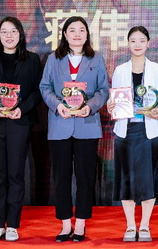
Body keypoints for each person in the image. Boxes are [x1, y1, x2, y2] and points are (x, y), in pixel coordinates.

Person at [40, 16, 108, 243]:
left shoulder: (96, 58)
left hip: (87, 125)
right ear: (65, 35)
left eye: (81, 30)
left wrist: (90, 107)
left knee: (85, 176)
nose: (77, 34)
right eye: (72, 30)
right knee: (61, 177)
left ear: (87, 34)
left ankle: (80, 223)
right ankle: (65, 224)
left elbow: (103, 90)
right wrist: (58, 106)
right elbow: (45, 87)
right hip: (60, 124)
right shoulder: (53, 59)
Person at [0, 17, 42, 242]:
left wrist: (22, 109)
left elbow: (37, 91)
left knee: (15, 173)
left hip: (19, 122)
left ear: (20, 34)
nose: (9, 36)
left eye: (13, 31)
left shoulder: (32, 59)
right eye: (4, 32)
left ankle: (12, 224)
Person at [107, 26, 158, 242]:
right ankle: (130, 225)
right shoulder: (120, 70)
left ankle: (145, 226)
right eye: (133, 40)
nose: (137, 44)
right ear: (128, 44)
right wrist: (111, 105)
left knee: (148, 180)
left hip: (149, 131)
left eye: (142, 40)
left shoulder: (157, 69)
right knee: (126, 180)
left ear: (148, 43)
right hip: (125, 130)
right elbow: (114, 98)